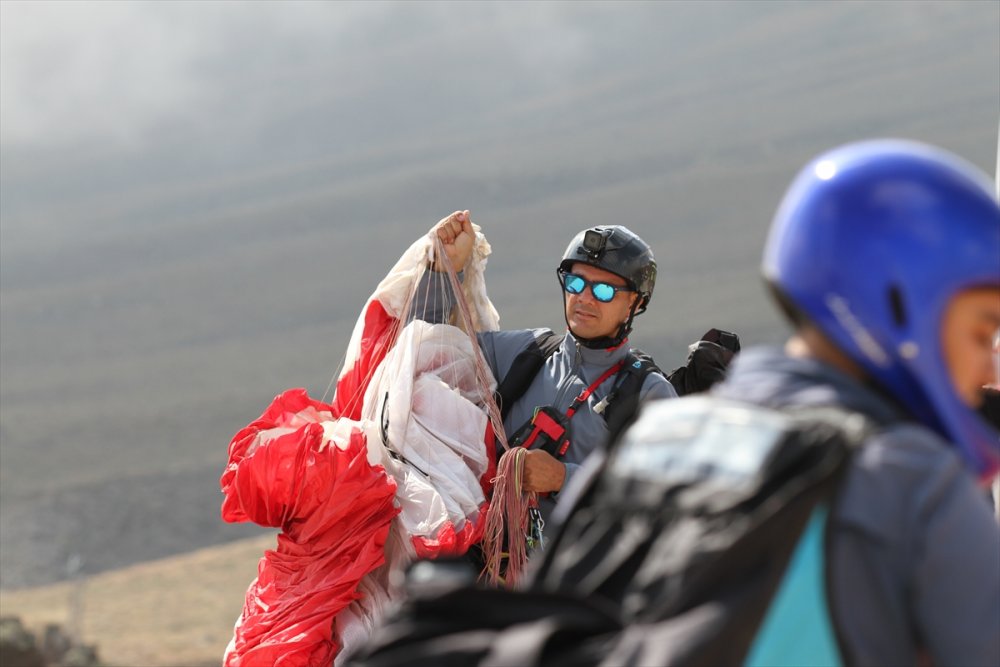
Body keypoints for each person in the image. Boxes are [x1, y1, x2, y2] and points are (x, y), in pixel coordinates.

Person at [703, 139, 1000, 665]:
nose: (989, 367)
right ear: (900, 303)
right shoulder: (912, 479)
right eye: (982, 333)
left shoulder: (645, 443)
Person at [421, 213, 678, 523]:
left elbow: (669, 495)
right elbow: (425, 350)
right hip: (489, 548)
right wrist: (442, 269)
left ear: (635, 304)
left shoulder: (648, 393)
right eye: (576, 283)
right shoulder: (526, 352)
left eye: (604, 291)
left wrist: (563, 478)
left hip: (576, 555)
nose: (584, 298)